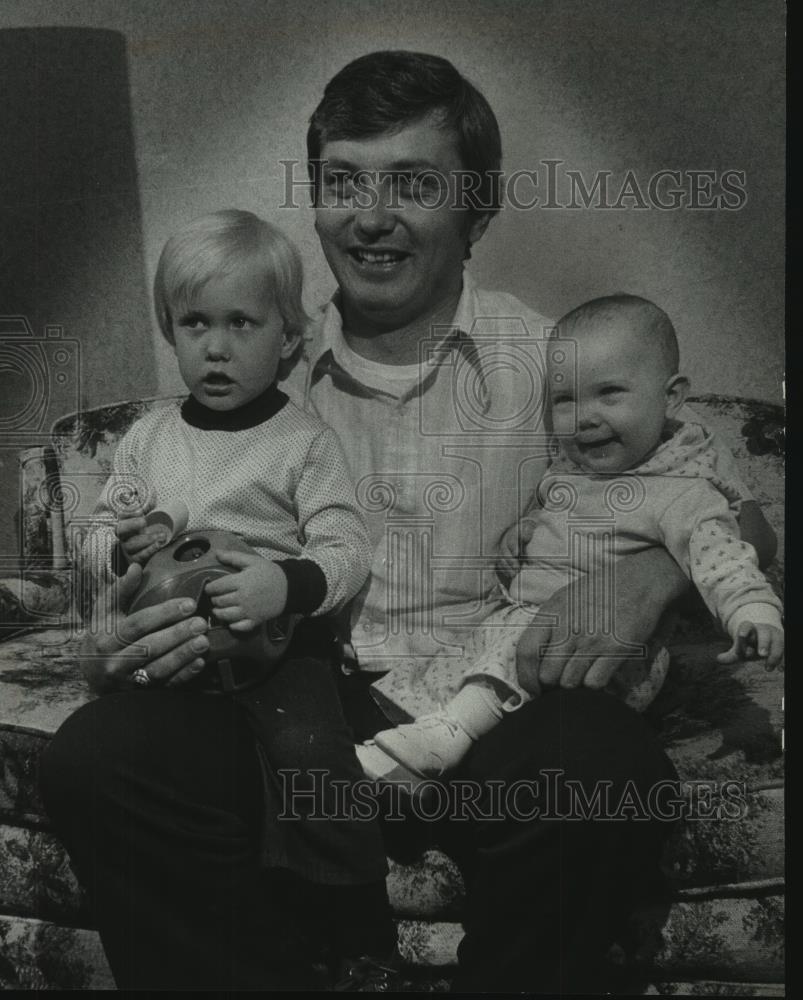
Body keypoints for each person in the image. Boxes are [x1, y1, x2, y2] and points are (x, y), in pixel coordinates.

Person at [40, 52, 777, 993]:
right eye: (343, 181)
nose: (371, 216)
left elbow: (742, 520)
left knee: (601, 765)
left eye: (413, 184)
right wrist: (117, 647)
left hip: (491, 706)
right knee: (100, 761)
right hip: (294, 713)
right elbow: (136, 565)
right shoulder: (258, 375)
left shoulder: (563, 363)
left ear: (477, 210)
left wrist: (649, 576)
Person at [58, 208, 398, 987]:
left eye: (242, 323)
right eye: (194, 323)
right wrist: (119, 544)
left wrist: (286, 584)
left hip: (276, 649)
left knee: (310, 755)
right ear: (169, 331)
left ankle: (354, 917)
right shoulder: (147, 439)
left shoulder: (302, 441)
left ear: (286, 338)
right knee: (132, 745)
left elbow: (345, 546)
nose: (215, 346)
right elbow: (93, 540)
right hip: (176, 648)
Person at [364, 294, 784, 779]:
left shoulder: (684, 488)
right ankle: (401, 762)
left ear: (670, 398)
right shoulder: (570, 470)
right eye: (565, 400)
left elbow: (724, 557)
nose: (584, 417)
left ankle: (447, 737)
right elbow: (557, 519)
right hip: (523, 621)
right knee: (457, 661)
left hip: (604, 654)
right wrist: (525, 532)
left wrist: (753, 613)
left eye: (609, 393)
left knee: (513, 657)